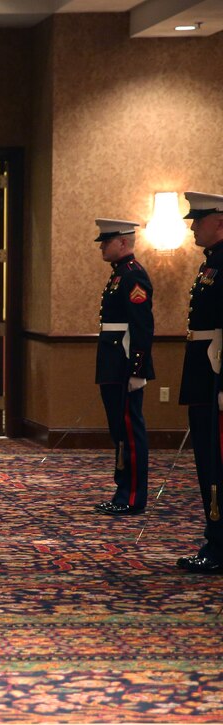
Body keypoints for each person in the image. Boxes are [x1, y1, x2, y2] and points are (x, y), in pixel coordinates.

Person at [93, 219, 154, 516]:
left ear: (123, 243)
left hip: (125, 362)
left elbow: (142, 326)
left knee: (130, 430)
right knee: (119, 430)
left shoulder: (133, 276)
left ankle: (132, 496)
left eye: (107, 241)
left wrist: (138, 369)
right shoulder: (119, 275)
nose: (102, 246)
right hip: (112, 360)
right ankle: (122, 491)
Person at [176, 191, 223, 573]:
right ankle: (214, 537)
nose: (193, 226)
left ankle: (218, 544)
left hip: (215, 375)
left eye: (199, 219)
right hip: (203, 370)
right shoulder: (212, 264)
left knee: (216, 461)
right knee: (207, 460)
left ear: (220, 221)